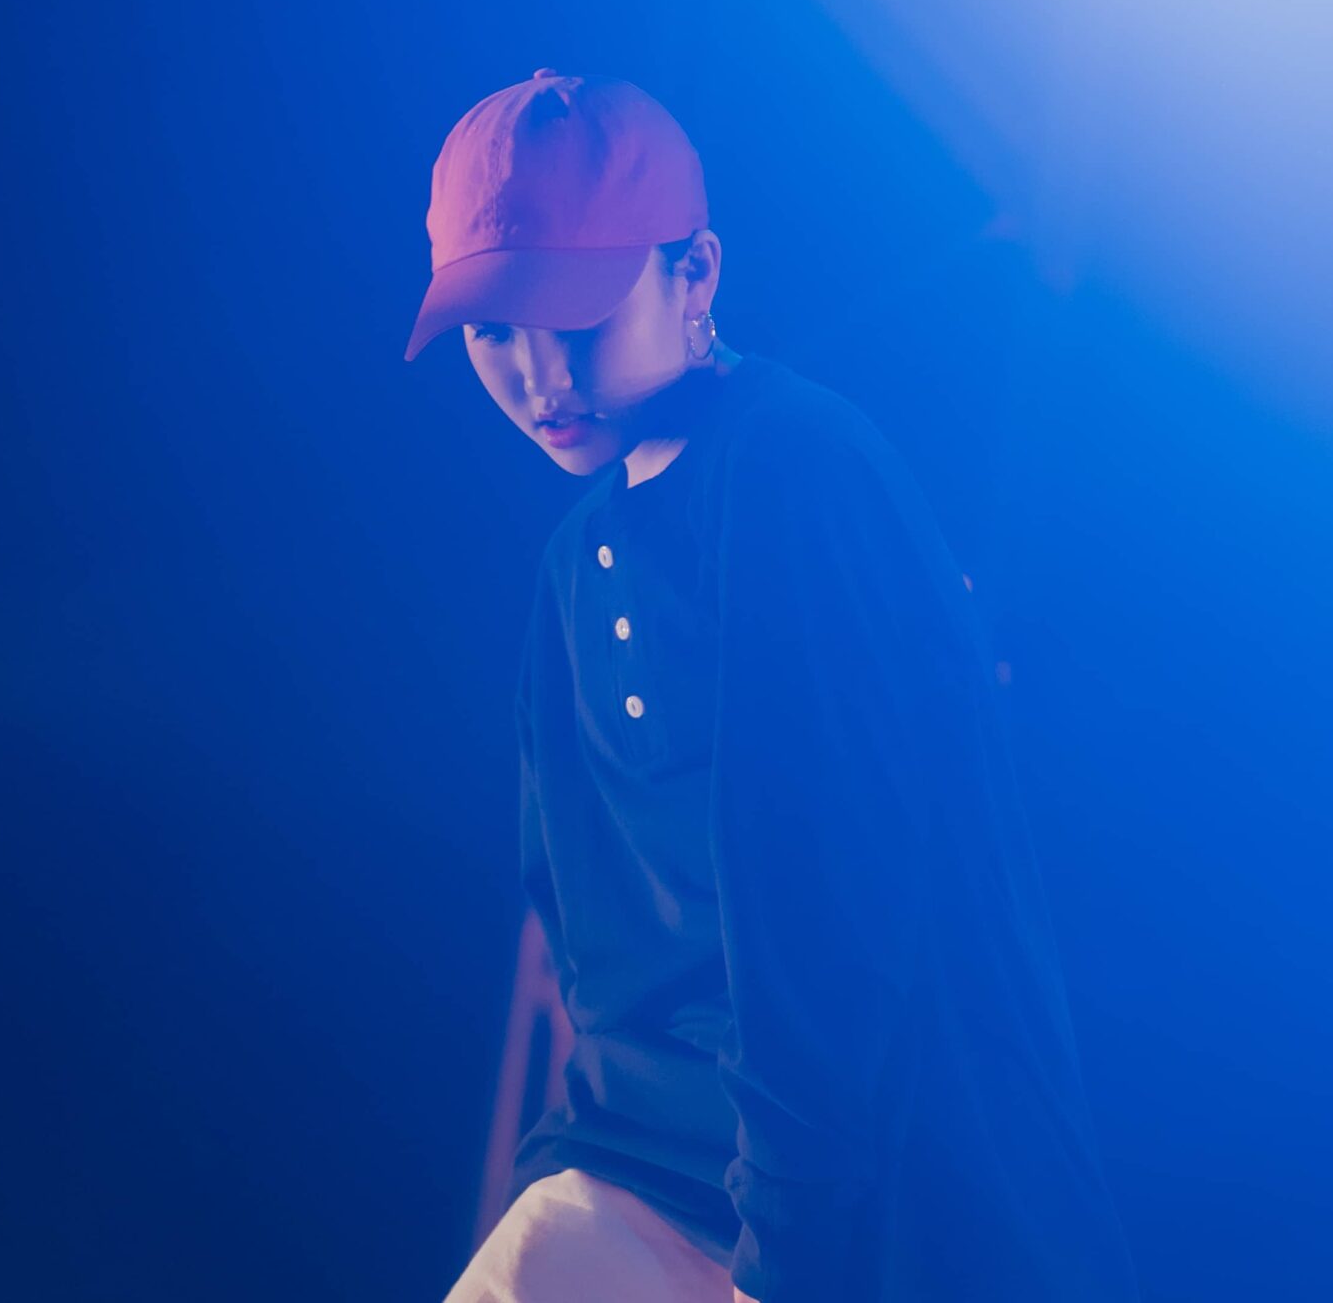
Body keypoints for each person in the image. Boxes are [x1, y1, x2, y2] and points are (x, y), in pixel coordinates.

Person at [404, 70, 1139, 1303]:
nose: (539, 375)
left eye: (575, 314)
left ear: (694, 272)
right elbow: (594, 954)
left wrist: (787, 1257)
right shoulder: (573, 564)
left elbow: (832, 915)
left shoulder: (794, 476)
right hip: (650, 1174)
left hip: (888, 1207)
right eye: (492, 331)